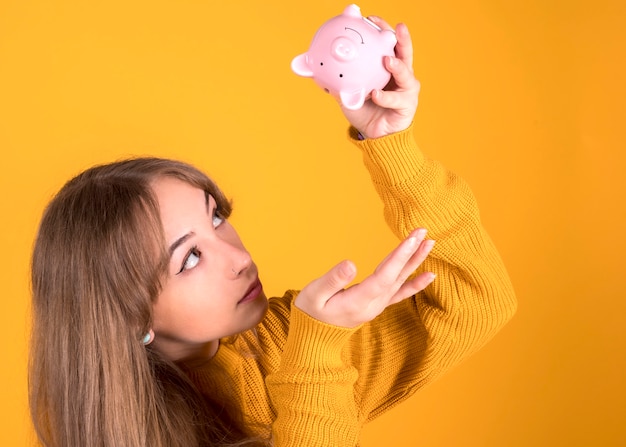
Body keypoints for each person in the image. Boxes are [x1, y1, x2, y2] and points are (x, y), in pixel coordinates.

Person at [28, 16, 517, 447]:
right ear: (131, 321)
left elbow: (476, 303)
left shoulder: (285, 339)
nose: (238, 257)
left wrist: (391, 145)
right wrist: (314, 357)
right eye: (190, 258)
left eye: (216, 217)